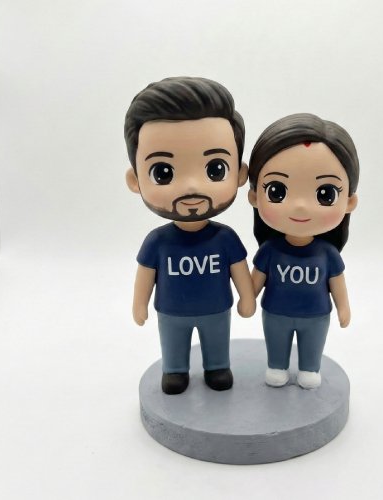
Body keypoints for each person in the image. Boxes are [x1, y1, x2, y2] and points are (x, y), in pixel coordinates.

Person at [124, 77, 255, 395]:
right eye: (163, 172)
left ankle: (217, 365)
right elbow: (146, 275)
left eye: (215, 170)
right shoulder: (157, 241)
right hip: (171, 311)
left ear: (240, 174)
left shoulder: (225, 238)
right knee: (173, 343)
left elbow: (239, 270)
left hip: (217, 309)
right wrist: (139, 304)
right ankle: (175, 369)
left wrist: (247, 297)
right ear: (135, 180)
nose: (191, 187)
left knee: (217, 342)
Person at [248, 113, 359, 389]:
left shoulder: (327, 254)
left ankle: (310, 367)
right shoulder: (270, 250)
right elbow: (255, 282)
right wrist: (247, 299)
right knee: (276, 343)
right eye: (277, 191)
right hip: (275, 312)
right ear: (254, 197)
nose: (300, 206)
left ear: (349, 202)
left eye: (325, 194)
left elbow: (337, 284)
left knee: (313, 344)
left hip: (317, 315)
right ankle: (277, 365)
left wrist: (344, 307)